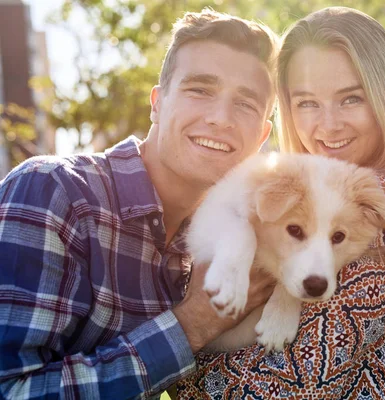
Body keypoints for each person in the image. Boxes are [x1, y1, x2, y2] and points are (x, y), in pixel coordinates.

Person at [176, 6, 385, 400]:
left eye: (351, 99)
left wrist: (175, 355)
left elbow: (271, 391)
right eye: (307, 102)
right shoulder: (313, 193)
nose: (327, 125)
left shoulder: (380, 201)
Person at [0, 10, 280, 399]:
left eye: (246, 104)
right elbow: (11, 390)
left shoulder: (221, 243)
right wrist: (192, 324)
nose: (220, 118)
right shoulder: (53, 192)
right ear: (157, 103)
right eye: (200, 89)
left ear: (262, 136)